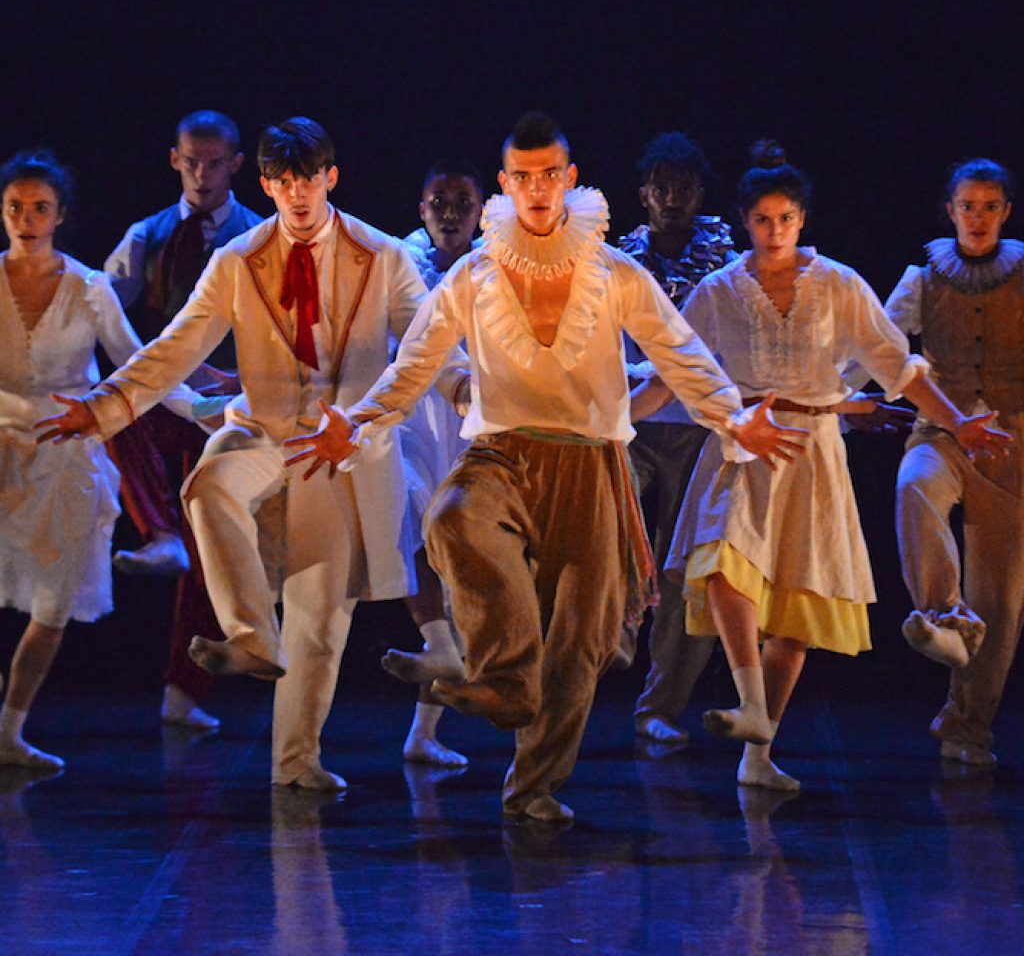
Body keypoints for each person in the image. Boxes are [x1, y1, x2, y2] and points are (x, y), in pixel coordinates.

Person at [286, 113, 804, 823]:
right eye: (521, 177)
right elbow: (417, 362)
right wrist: (364, 419)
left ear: (568, 179)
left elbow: (680, 351)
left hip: (590, 463)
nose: (535, 189)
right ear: (506, 183)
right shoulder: (474, 273)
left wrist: (732, 415)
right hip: (502, 451)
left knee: (581, 643)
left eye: (548, 175)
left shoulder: (614, 272)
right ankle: (504, 676)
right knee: (450, 519)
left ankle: (533, 786)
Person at [38, 118, 464, 791]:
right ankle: (249, 633)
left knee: (320, 619)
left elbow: (428, 341)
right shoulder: (237, 260)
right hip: (264, 431)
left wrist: (464, 385)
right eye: (283, 183)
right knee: (208, 487)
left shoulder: (382, 255)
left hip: (340, 449)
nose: (297, 196)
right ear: (265, 184)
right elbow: (175, 347)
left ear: (331, 177)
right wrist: (104, 406)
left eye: (308, 181)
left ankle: (297, 763)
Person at [659, 141, 1010, 793]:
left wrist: (957, 421)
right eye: (762, 220)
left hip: (814, 450)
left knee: (797, 610)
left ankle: (758, 756)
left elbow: (895, 366)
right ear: (745, 222)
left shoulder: (839, 284)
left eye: (785, 219)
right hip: (745, 441)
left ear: (802, 220)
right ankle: (749, 703)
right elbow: (671, 367)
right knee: (723, 563)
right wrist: (602, 413)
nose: (774, 232)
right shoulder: (717, 291)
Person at [0, 150, 200, 772]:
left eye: (39, 209)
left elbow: (140, 365)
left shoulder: (88, 287)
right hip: (2, 455)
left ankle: (9, 730)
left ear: (61, 216)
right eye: (14, 208)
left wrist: (209, 405)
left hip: (66, 459)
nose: (25, 220)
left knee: (54, 605)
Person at [104, 110, 263, 731]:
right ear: (175, 160)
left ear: (235, 165)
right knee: (110, 405)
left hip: (220, 405)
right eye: (191, 161)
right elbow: (99, 302)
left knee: (211, 551)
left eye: (214, 162)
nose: (202, 174)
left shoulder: (256, 235)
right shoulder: (148, 235)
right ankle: (156, 531)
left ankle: (184, 692)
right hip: (165, 397)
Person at [869, 159, 1023, 766]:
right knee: (915, 487)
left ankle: (966, 726)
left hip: (1011, 445)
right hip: (943, 432)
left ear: (1005, 211)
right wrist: (836, 395)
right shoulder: (924, 277)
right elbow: (878, 344)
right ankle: (943, 616)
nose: (978, 218)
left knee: (1004, 598)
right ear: (950, 210)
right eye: (967, 206)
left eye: (990, 206)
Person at [620, 132, 739, 745]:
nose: (671, 198)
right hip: (635, 422)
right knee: (611, 531)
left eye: (683, 187)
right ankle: (609, 640)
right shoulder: (617, 258)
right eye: (660, 187)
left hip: (696, 432)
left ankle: (660, 707)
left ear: (699, 195)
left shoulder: (724, 264)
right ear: (644, 195)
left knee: (687, 570)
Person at [383, 160, 486, 767]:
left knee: (459, 573)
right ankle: (435, 650)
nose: (450, 211)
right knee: (415, 538)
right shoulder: (398, 262)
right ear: (421, 208)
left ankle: (424, 733)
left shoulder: (496, 265)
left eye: (463, 201)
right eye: (439, 200)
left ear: (479, 210)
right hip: (411, 422)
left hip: (473, 425)